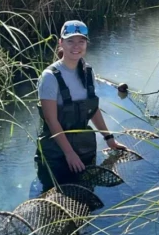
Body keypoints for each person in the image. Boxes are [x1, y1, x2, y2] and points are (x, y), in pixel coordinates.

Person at [34, 20, 126, 192]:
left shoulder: (88, 72)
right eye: (70, 41)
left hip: (83, 150)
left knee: (85, 196)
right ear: (61, 43)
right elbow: (51, 120)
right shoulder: (49, 77)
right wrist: (69, 153)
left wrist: (109, 139)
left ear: (86, 44)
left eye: (81, 41)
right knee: (54, 196)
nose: (76, 46)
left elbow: (92, 110)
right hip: (56, 154)